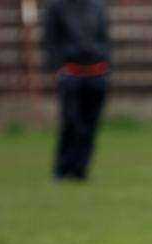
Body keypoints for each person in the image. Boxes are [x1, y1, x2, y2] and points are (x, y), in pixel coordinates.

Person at [43, 0, 110, 181]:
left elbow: (105, 39)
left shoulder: (97, 6)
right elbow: (50, 41)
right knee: (71, 122)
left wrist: (107, 67)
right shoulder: (57, 7)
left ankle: (81, 169)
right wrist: (57, 68)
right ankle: (62, 168)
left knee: (90, 125)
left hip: (97, 74)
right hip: (71, 74)